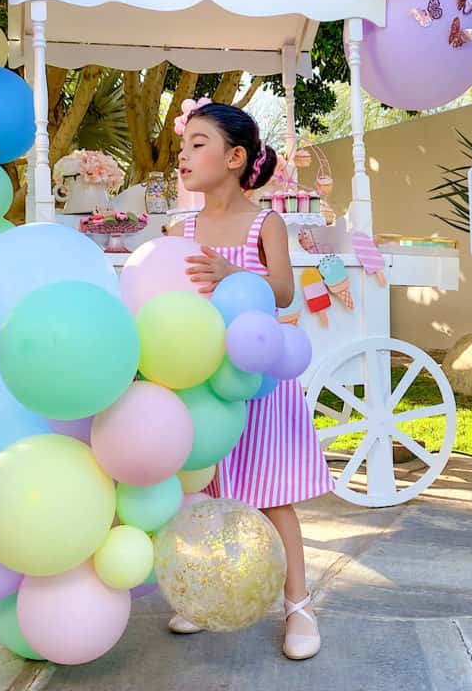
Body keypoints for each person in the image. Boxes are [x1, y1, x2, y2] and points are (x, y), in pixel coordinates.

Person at [167, 99, 333, 661]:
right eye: (182, 145)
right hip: (202, 381)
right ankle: (204, 591)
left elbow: (284, 292)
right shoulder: (178, 226)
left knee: (271, 498)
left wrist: (235, 273)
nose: (183, 155)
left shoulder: (267, 222)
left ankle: (299, 606)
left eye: (198, 144)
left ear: (236, 157)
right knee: (205, 488)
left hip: (258, 379)